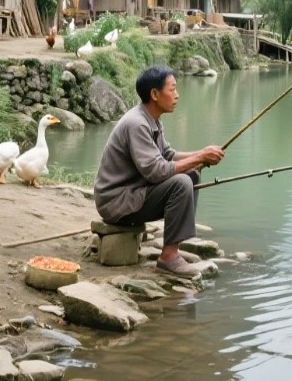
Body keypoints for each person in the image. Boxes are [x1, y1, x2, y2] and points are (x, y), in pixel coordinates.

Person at [94, 65, 225, 279]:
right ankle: (168, 258)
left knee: (192, 175)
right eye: (172, 89)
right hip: (116, 202)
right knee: (181, 182)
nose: (177, 95)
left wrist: (201, 155)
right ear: (154, 94)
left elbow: (167, 154)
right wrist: (200, 158)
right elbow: (156, 171)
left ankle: (173, 245)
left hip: (134, 194)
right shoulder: (137, 124)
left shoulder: (151, 119)